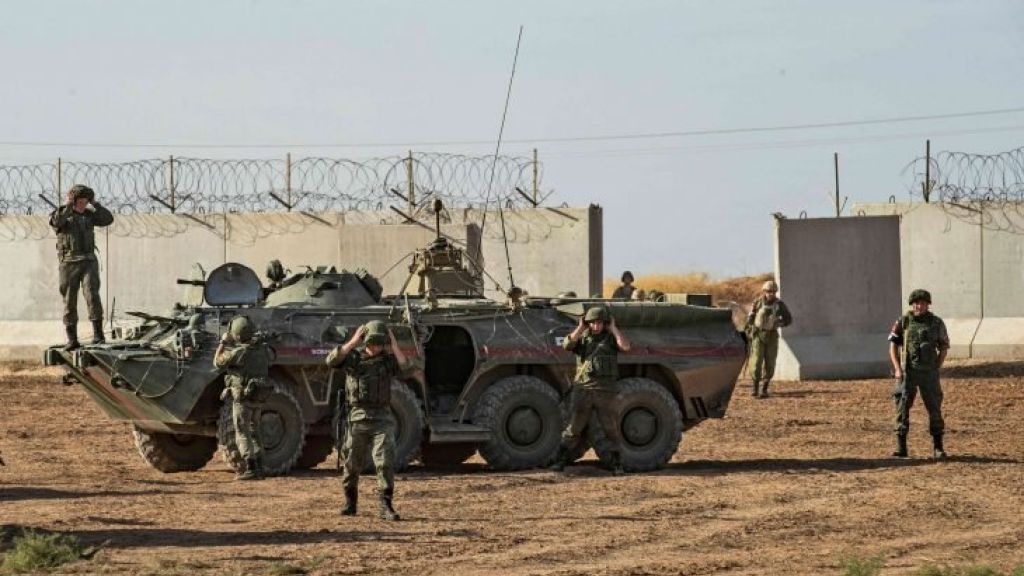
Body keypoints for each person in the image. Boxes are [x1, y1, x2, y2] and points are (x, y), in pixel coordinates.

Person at [327, 320, 413, 521]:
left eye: (379, 344)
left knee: (385, 462)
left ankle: (385, 505)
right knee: (352, 463)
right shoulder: (353, 359)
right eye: (372, 343)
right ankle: (350, 503)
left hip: (382, 418)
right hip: (357, 418)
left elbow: (407, 368)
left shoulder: (387, 361)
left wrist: (394, 345)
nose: (375, 348)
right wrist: (353, 341)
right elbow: (331, 360)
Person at [551, 305, 631, 474]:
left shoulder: (610, 339)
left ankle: (617, 464)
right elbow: (566, 345)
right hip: (584, 390)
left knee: (610, 430)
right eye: (593, 322)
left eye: (600, 323)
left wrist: (613, 328)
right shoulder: (583, 339)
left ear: (605, 323)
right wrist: (580, 327)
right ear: (588, 323)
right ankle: (560, 460)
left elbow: (625, 346)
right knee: (574, 429)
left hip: (605, 392)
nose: (596, 326)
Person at [48, 184, 114, 350]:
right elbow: (56, 223)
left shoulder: (89, 215)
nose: (83, 204)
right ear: (74, 200)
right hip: (69, 263)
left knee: (92, 296)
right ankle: (72, 339)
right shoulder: (62, 214)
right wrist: (68, 206)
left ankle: (98, 335)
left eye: (86, 201)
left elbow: (108, 219)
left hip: (88, 262)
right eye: (80, 201)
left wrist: (95, 204)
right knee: (69, 300)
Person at [888, 289, 950, 459]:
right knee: (901, 408)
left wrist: (937, 367)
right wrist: (898, 369)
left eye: (923, 303)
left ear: (928, 305)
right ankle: (901, 447)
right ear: (912, 304)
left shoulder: (936, 323)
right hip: (908, 373)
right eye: (916, 303)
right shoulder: (904, 322)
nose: (919, 306)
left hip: (929, 374)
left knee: (934, 409)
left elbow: (944, 347)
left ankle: (938, 448)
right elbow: (893, 345)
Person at [214, 315, 275, 480]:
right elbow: (271, 356)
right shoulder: (263, 350)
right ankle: (260, 468)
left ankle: (250, 469)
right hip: (258, 397)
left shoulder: (239, 352)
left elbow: (217, 362)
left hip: (243, 399)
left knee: (242, 432)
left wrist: (223, 342)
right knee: (255, 431)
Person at [744, 280, 793, 398]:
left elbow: (788, 319)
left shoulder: (779, 305)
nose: (771, 293)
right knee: (756, 361)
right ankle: (755, 388)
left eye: (773, 292)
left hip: (772, 335)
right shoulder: (757, 303)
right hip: (758, 335)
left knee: (770, 362)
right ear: (764, 291)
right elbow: (750, 321)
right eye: (769, 291)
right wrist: (750, 329)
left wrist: (779, 323)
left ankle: (764, 389)